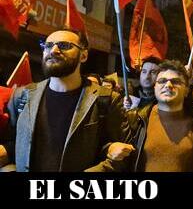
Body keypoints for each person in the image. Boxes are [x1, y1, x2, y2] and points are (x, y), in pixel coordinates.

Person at [0, 29, 128, 171]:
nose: (53, 50)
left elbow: (118, 158)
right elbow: (12, 146)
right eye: (48, 45)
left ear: (83, 55)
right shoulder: (22, 96)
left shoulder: (106, 100)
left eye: (64, 45)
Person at [111, 60, 193, 172]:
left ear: (187, 90)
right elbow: (109, 153)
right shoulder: (134, 119)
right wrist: (110, 149)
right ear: (155, 87)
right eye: (162, 81)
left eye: (176, 81)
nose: (168, 85)